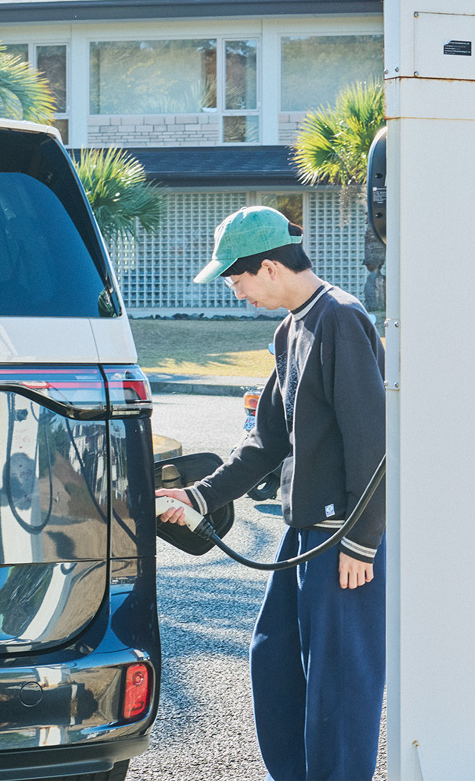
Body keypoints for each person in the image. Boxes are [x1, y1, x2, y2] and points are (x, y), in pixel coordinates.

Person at [156, 206, 386, 781]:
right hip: (302, 533)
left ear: (267, 268)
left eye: (236, 281)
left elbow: (373, 443)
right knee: (274, 657)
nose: (238, 294)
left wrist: (361, 542)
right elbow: (265, 444)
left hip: (340, 537)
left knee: (339, 687)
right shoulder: (290, 330)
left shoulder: (340, 319)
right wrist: (200, 497)